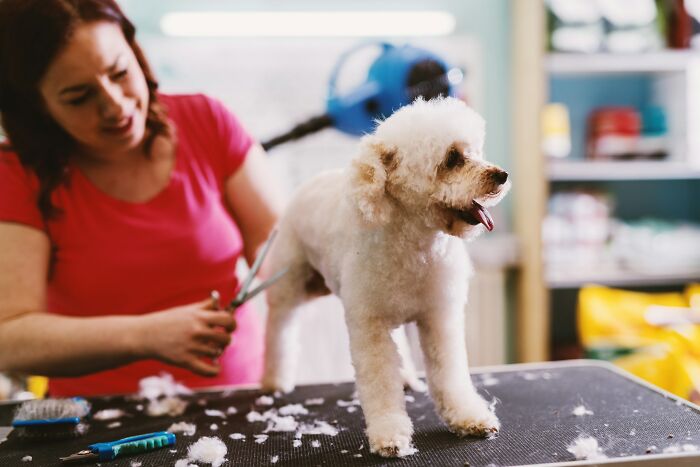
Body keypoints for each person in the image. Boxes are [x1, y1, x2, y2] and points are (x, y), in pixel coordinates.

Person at [0, 0, 283, 397]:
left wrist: (308, 268)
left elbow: (270, 245)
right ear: (37, 107)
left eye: (120, 72)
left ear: (136, 52)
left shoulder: (208, 120)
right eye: (79, 96)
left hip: (237, 397)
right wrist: (146, 335)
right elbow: (9, 338)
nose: (115, 105)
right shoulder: (16, 173)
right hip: (96, 421)